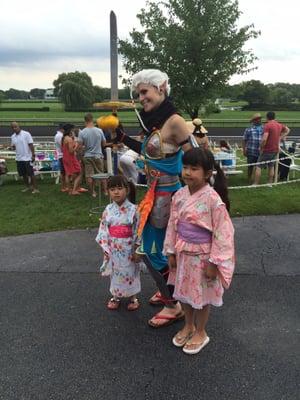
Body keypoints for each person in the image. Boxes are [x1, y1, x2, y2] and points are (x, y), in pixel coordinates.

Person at [115, 69, 197, 327]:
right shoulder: (157, 122)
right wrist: (122, 138)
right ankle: (168, 292)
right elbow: (152, 153)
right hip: (154, 195)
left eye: (144, 92)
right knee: (158, 250)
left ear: (161, 87)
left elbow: (194, 159)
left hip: (166, 197)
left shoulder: (174, 121)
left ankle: (174, 305)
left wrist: (196, 195)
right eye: (139, 93)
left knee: (151, 252)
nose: (141, 98)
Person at [164, 147, 235, 355]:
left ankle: (201, 331)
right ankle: (188, 325)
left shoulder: (213, 200)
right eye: (185, 167)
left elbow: (224, 233)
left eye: (194, 168)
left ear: (207, 173)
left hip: (204, 258)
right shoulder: (179, 195)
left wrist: (215, 263)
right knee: (184, 294)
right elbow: (173, 224)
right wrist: (170, 251)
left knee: (202, 296)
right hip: (183, 253)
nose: (187, 172)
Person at [95, 175, 141, 311]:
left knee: (130, 271)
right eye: (112, 189)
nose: (116, 192)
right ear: (108, 191)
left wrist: (137, 248)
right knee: (115, 273)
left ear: (127, 190)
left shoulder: (134, 209)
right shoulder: (108, 210)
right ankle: (116, 296)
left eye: (119, 188)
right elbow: (103, 229)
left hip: (128, 247)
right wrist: (105, 247)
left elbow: (138, 230)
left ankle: (133, 297)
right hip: (114, 247)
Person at [254, 111, 290, 185]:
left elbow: (264, 139)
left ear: (267, 117)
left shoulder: (267, 125)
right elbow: (288, 130)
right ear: (274, 117)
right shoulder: (279, 125)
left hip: (267, 149)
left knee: (258, 166)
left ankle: (255, 183)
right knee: (271, 166)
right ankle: (270, 183)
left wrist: (261, 147)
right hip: (275, 149)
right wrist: (280, 137)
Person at [78, 113, 107, 197]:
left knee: (89, 175)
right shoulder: (99, 130)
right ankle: (105, 191)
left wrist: (82, 152)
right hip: (98, 155)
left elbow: (80, 146)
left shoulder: (82, 132)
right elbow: (104, 143)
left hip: (87, 155)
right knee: (101, 174)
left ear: (85, 121)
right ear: (92, 120)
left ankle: (93, 192)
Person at [10, 121, 39, 193]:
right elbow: (14, 147)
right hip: (19, 158)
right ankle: (28, 187)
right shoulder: (13, 136)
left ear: (19, 126)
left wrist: (33, 155)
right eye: (13, 127)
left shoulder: (26, 134)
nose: (14, 128)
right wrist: (12, 148)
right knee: (23, 175)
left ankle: (35, 188)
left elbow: (31, 145)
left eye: (16, 126)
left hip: (27, 158)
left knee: (31, 174)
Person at [242, 113, 263, 183]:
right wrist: (244, 149)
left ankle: (256, 179)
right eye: (257, 119)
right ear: (254, 121)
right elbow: (244, 140)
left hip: (261, 152)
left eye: (259, 119)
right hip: (251, 151)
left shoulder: (265, 128)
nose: (259, 120)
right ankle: (249, 178)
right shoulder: (249, 129)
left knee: (258, 166)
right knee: (250, 166)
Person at [61, 123, 81, 195]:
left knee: (68, 174)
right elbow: (71, 151)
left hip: (65, 157)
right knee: (79, 172)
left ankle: (69, 190)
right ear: (70, 130)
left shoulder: (64, 138)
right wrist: (76, 145)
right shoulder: (69, 139)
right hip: (70, 158)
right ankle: (74, 190)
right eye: (72, 129)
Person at [54, 123, 68, 192]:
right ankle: (64, 187)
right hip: (62, 155)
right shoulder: (59, 136)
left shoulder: (59, 135)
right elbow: (63, 146)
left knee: (64, 172)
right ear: (62, 129)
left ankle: (64, 186)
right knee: (64, 173)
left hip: (61, 155)